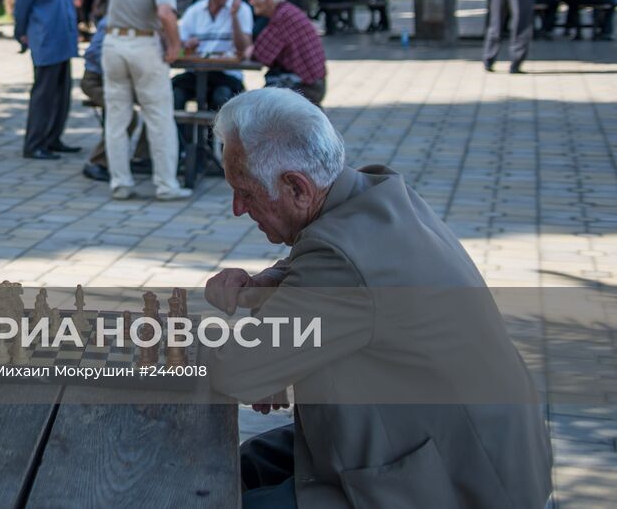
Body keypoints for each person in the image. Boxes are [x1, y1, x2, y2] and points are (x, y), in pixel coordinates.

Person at [205, 89, 552, 509]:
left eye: (246, 192)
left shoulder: (341, 257)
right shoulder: (374, 194)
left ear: (296, 186)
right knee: (239, 466)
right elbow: (334, 279)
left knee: (216, 496)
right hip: (440, 440)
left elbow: (235, 372)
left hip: (459, 481)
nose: (238, 208)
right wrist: (268, 286)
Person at [100, 0, 192, 201]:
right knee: (159, 117)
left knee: (117, 119)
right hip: (143, 47)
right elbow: (165, 13)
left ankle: (120, 183)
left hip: (112, 43)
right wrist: (175, 46)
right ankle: (166, 185)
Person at [14, 0, 80, 159]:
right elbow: (21, 8)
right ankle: (34, 144)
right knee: (44, 96)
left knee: (62, 97)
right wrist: (20, 34)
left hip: (64, 44)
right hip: (46, 43)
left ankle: (53, 139)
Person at [79, 16, 152, 182]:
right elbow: (92, 54)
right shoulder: (110, 22)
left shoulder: (141, 21)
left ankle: (142, 157)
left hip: (123, 82)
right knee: (125, 114)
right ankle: (97, 162)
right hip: (96, 80)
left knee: (155, 105)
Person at [173, 0, 252, 113]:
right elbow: (180, 46)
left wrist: (234, 16)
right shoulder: (194, 11)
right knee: (176, 94)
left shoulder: (242, 10)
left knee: (221, 96)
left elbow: (243, 48)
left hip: (227, 74)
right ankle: (184, 136)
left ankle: (213, 137)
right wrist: (186, 45)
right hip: (196, 72)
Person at [247, 0, 328, 105]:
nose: (251, 1)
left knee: (257, 108)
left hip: (306, 86)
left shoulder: (281, 17)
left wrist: (248, 50)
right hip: (312, 82)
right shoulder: (286, 11)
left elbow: (259, 55)